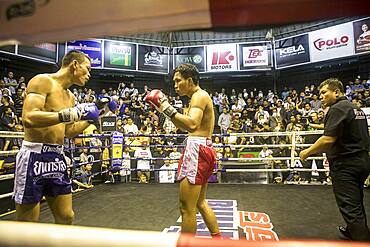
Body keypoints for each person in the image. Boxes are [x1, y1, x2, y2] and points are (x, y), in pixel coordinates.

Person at [13, 50, 113, 224]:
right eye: (87, 69)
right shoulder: (42, 81)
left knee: (66, 217)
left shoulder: (70, 96)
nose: (89, 75)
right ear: (74, 64)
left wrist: (94, 118)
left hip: (57, 156)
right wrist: (66, 115)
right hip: (33, 155)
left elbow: (68, 131)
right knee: (28, 223)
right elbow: (28, 117)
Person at [145, 63, 220, 237]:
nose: (175, 85)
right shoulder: (199, 97)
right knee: (200, 202)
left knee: (186, 208)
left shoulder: (199, 96)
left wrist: (164, 106)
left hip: (197, 149)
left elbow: (192, 125)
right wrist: (162, 109)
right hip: (204, 147)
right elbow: (183, 125)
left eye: (178, 81)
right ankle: (219, 239)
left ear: (190, 80)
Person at [299, 78, 370, 241]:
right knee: (356, 202)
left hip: (346, 165)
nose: (321, 96)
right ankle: (352, 231)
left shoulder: (337, 108)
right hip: (361, 161)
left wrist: (306, 152)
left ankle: (362, 239)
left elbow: (328, 140)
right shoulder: (355, 108)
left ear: (336, 92)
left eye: (324, 92)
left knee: (350, 208)